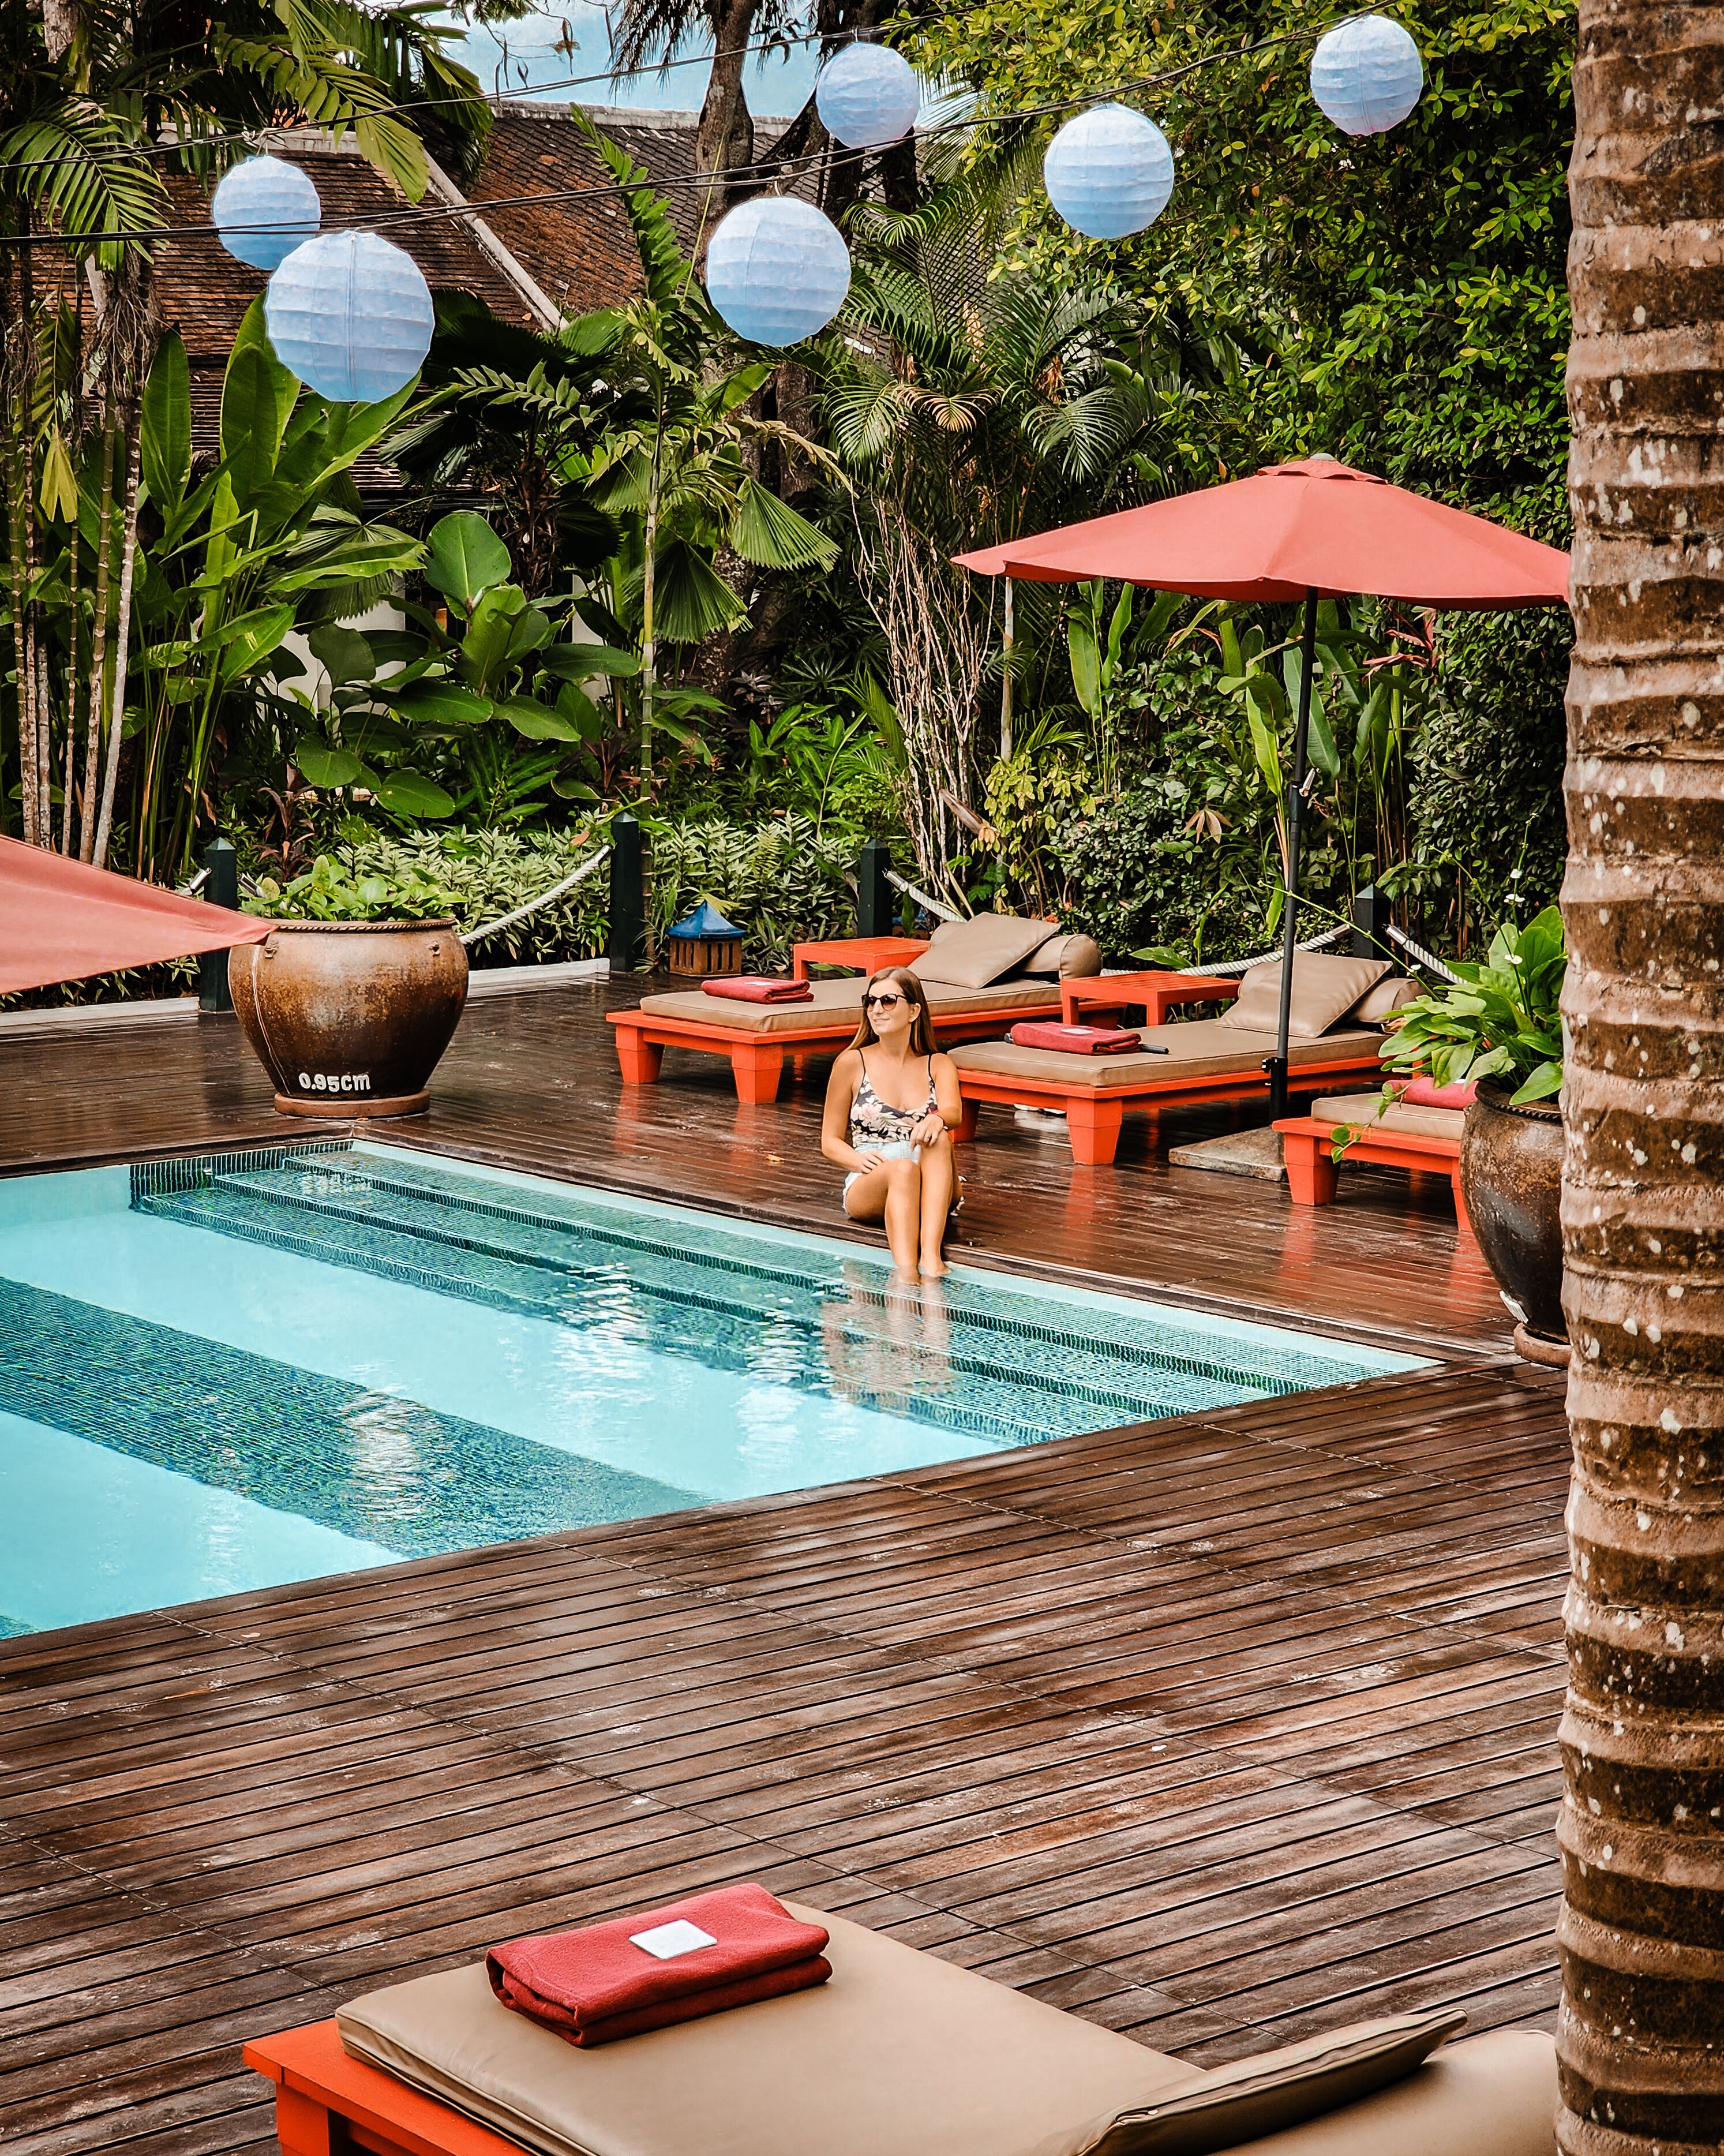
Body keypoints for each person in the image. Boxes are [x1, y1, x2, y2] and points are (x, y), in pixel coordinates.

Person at [821, 967, 964, 1279]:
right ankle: (906, 1274)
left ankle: (930, 1257)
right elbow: (829, 1141)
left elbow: (954, 1111)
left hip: (933, 1181)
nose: (876, 1009)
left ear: (914, 1011)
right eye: (870, 1002)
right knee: (902, 1169)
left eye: (888, 1000)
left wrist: (937, 1119)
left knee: (938, 1136)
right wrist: (857, 1160)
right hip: (875, 1179)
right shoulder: (851, 1062)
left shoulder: (938, 1064)